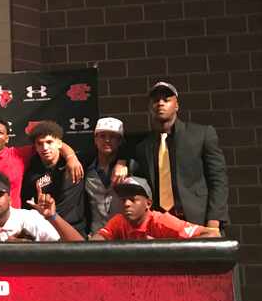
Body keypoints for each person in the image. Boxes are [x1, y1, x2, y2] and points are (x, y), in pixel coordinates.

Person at [133, 81, 229, 229]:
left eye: (166, 100)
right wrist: (120, 162)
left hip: (197, 221)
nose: (160, 103)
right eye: (156, 100)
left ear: (176, 105)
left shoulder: (201, 134)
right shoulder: (143, 146)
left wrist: (214, 221)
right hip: (159, 224)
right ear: (150, 107)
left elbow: (218, 180)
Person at [0, 171, 83, 243]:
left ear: (9, 198)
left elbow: (78, 245)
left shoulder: (29, 217)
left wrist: (52, 217)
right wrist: (4, 247)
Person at [92, 177, 221, 240]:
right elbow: (97, 239)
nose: (126, 204)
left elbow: (212, 234)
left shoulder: (162, 221)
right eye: (124, 199)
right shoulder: (119, 221)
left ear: (148, 203)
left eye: (133, 199)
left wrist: (166, 248)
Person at [21, 121, 88, 237]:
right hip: (47, 231)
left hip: (75, 229)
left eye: (49, 142)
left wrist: (71, 157)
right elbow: (27, 205)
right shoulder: (31, 173)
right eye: (40, 144)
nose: (45, 148)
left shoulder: (78, 162)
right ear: (35, 147)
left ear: (59, 143)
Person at [85, 117, 127, 234]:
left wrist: (125, 161)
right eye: (102, 136)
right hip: (96, 234)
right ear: (95, 139)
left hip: (125, 235)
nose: (107, 140)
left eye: (113, 136)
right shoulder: (85, 168)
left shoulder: (132, 167)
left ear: (119, 141)